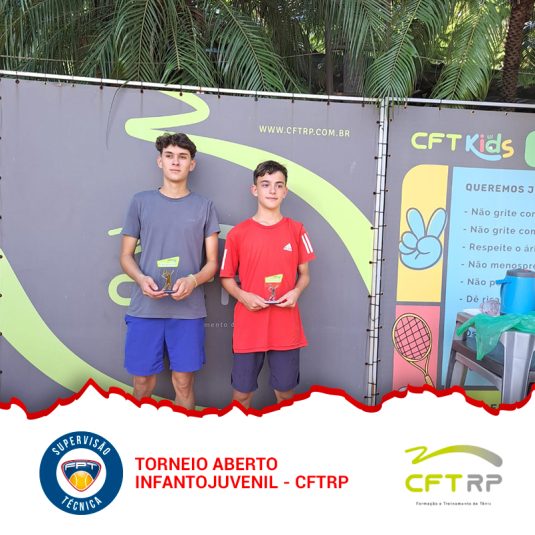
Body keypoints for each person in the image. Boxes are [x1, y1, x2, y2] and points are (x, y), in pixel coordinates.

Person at [120, 132, 219, 409]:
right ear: (160, 161)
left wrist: (193, 280)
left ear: (192, 164)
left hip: (187, 311)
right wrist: (140, 278)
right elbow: (126, 256)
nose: (176, 162)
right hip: (145, 310)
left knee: (184, 383)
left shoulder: (205, 206)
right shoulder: (140, 202)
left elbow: (212, 263)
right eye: (170, 156)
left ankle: (181, 436)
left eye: (182, 157)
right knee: (142, 384)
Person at [220, 160, 315, 408]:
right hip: (249, 327)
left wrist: (296, 292)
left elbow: (305, 275)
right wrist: (243, 296)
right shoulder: (237, 234)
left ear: (285, 191)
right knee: (241, 397)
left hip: (285, 328)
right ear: (255, 190)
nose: (272, 190)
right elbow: (226, 278)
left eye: (278, 185)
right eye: (265, 184)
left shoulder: (297, 230)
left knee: (285, 396)